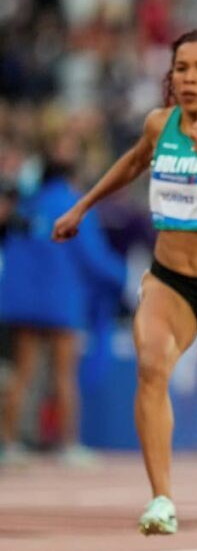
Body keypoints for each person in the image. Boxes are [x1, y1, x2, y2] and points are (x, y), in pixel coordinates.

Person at [52, 29, 197, 535]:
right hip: (169, 281)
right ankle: (161, 499)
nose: (188, 78)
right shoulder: (160, 123)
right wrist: (82, 206)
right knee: (151, 367)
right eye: (181, 67)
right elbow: (135, 161)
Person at [0, 134, 124, 466]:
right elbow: (94, 258)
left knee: (23, 373)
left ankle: (9, 445)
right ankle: (68, 445)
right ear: (72, 175)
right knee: (63, 375)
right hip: (60, 299)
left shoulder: (26, 203)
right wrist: (126, 280)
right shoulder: (75, 204)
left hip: (22, 301)